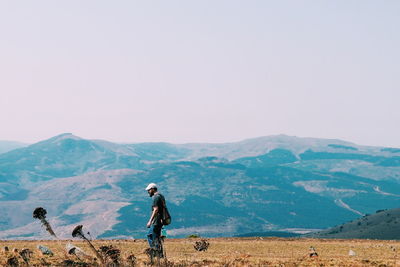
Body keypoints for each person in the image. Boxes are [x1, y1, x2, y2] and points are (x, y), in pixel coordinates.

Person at [145, 183, 166, 257]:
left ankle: (156, 253)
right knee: (152, 236)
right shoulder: (161, 196)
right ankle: (158, 253)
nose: (148, 192)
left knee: (154, 237)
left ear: (153, 189)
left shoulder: (156, 197)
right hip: (160, 220)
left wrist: (150, 221)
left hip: (156, 221)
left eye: (149, 190)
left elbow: (156, 209)